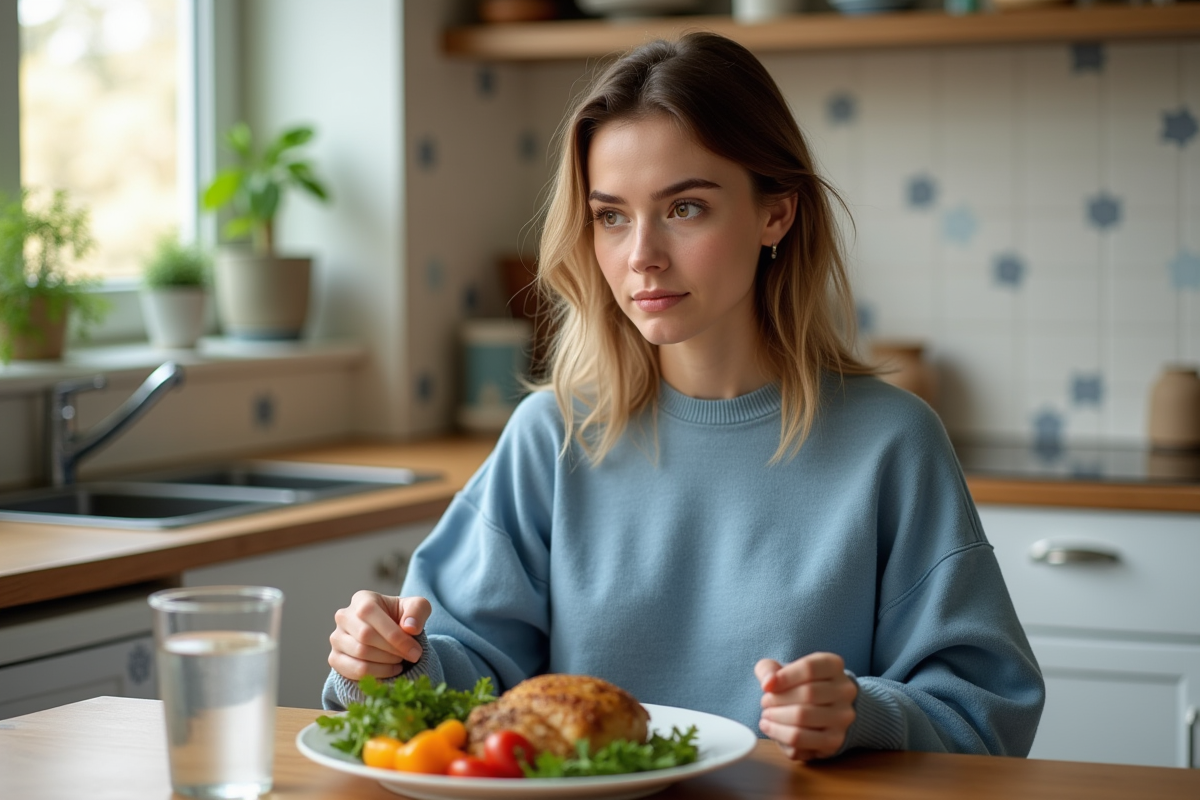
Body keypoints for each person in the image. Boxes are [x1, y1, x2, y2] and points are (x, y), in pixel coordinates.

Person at [324, 31, 1044, 762]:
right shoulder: (553, 437)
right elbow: (456, 681)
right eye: (610, 216)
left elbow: (986, 714)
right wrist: (385, 661)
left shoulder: (894, 442)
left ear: (776, 214)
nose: (641, 255)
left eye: (685, 208)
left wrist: (862, 713)